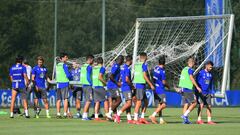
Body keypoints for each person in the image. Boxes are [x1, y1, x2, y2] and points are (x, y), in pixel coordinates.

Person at [133, 52, 155, 124]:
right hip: (140, 85)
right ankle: (136, 119)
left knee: (146, 102)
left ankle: (142, 118)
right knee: (139, 101)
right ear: (145, 57)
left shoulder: (137, 64)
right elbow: (144, 76)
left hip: (138, 84)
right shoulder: (144, 65)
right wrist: (151, 84)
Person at [179, 57, 202, 124]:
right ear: (192, 63)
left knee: (186, 104)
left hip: (183, 88)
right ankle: (185, 115)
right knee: (195, 103)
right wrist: (197, 87)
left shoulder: (184, 69)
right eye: (194, 63)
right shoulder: (190, 70)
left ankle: (185, 121)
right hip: (187, 88)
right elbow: (191, 78)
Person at [149, 56, 170, 124]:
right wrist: (168, 86)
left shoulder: (155, 69)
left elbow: (153, 78)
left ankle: (161, 119)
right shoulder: (162, 71)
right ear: (164, 63)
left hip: (155, 89)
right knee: (164, 104)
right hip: (160, 90)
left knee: (159, 105)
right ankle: (153, 115)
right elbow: (164, 82)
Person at [56, 53, 72, 118]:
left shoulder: (57, 65)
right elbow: (68, 75)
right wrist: (71, 77)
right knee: (65, 99)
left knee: (58, 99)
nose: (67, 58)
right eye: (66, 57)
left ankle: (58, 114)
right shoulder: (64, 65)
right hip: (65, 83)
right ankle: (65, 114)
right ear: (62, 58)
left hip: (58, 83)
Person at [80, 55, 94, 120]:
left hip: (84, 85)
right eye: (93, 60)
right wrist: (91, 83)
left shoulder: (83, 66)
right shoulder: (89, 67)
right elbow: (88, 76)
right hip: (88, 85)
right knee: (89, 101)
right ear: (90, 59)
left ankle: (86, 115)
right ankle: (84, 116)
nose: (93, 61)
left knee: (87, 101)